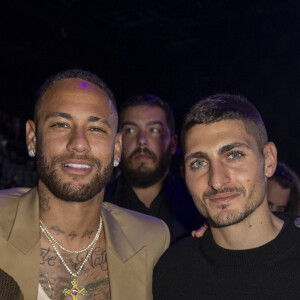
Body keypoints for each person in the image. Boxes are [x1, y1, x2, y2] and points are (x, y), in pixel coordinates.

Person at [0, 70, 170, 300]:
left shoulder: (152, 239)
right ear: (32, 138)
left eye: (96, 129)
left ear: (117, 147)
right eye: (61, 124)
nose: (79, 144)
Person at [153, 93, 300, 299]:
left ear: (268, 160)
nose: (217, 181)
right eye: (199, 163)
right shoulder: (172, 271)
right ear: (185, 176)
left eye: (234, 155)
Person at [104, 94, 204, 243]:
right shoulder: (96, 206)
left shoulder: (200, 204)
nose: (142, 141)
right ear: (117, 143)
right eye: (130, 130)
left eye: (154, 130)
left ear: (173, 144)